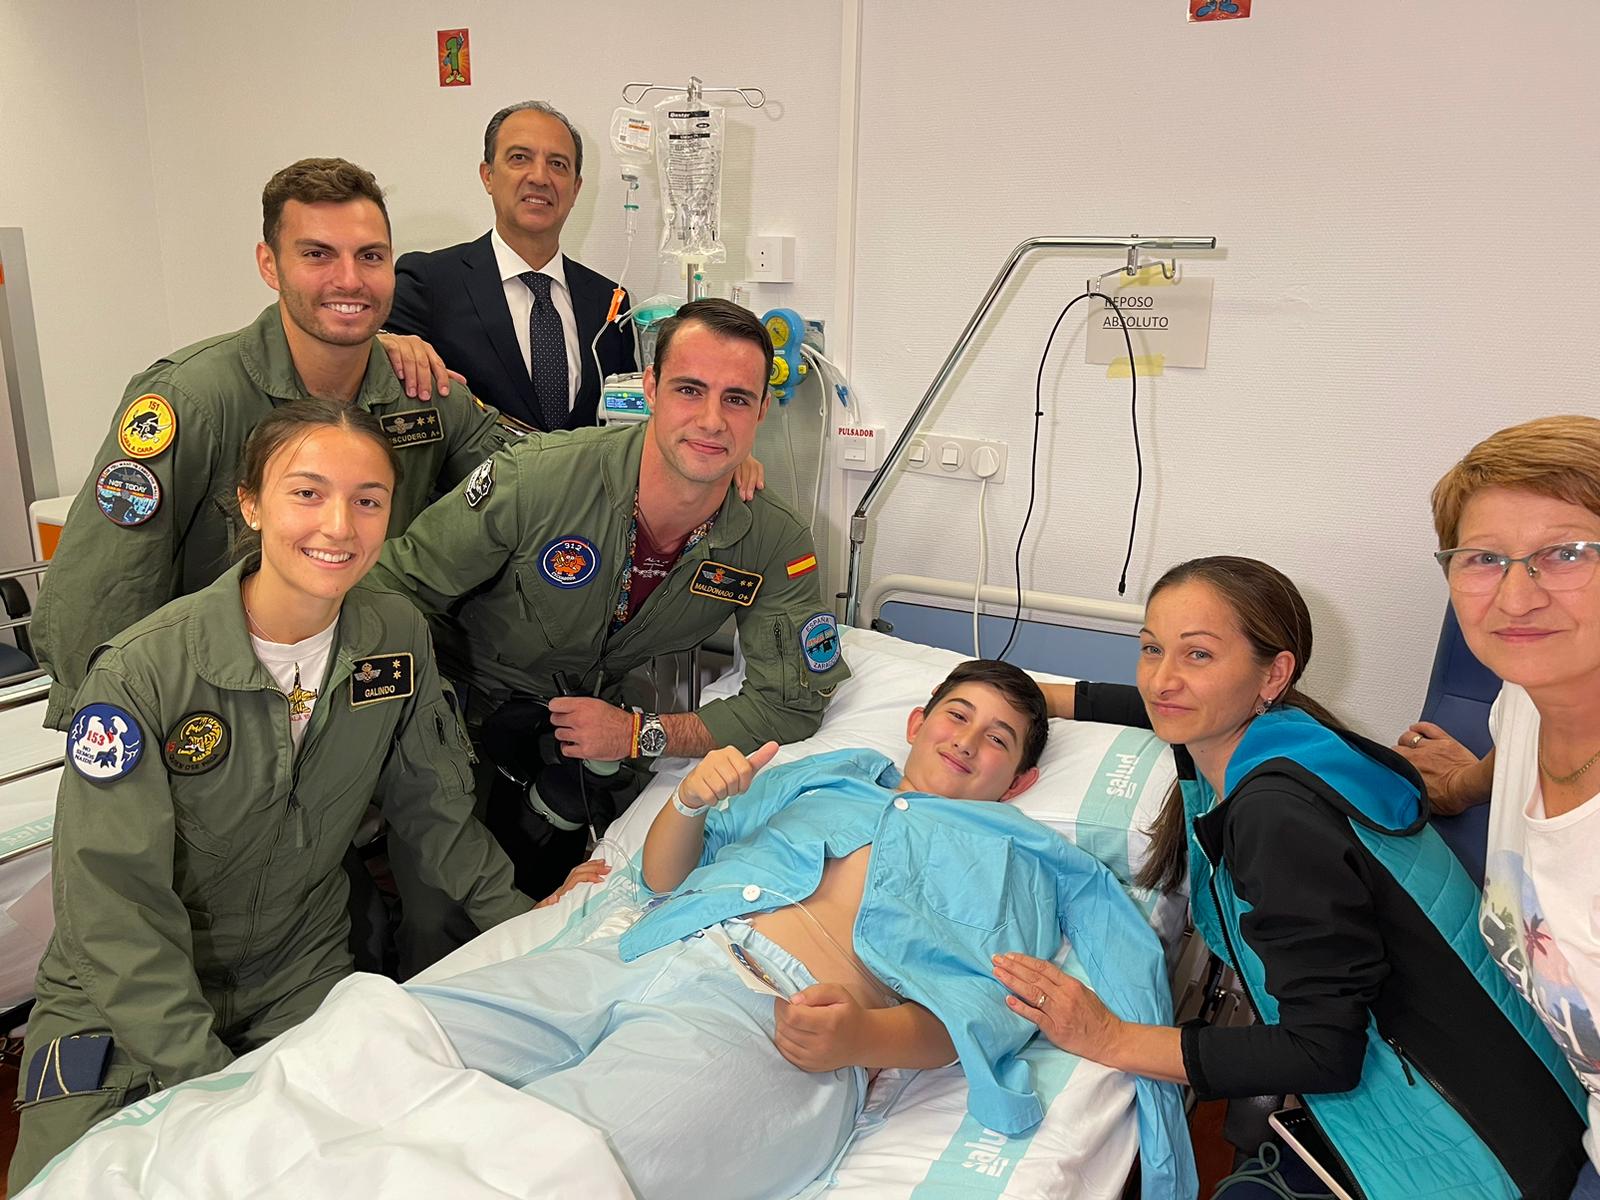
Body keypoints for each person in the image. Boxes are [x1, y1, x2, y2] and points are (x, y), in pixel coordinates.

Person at [5, 400, 600, 1194]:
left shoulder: (394, 636)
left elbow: (435, 811)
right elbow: (115, 908)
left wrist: (534, 925)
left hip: (299, 973)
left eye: (368, 500)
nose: (339, 526)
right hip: (120, 1001)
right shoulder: (143, 676)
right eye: (307, 493)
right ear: (251, 503)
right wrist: (212, 1087)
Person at [395, 660, 1188, 1199]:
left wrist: (861, 1043)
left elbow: (976, 1015)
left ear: (1022, 781)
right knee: (395, 1037)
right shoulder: (821, 778)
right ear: (914, 722)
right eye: (957, 715)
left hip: (769, 1023)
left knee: (559, 1162)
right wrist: (689, 804)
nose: (967, 741)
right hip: (644, 950)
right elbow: (663, 879)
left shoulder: (1014, 860)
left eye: (998, 739)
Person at [997, 556, 1588, 1199]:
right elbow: (1157, 705)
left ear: (1273, 674)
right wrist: (1028, 697)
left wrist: (1108, 1037)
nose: (1161, 680)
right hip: (1525, 1095)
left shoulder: (1275, 822)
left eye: (1198, 655)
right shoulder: (1290, 738)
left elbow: (1322, 1056)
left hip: (1474, 1159)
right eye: (1150, 649)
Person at [368, 298, 848, 972]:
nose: (712, 421)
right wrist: (418, 731)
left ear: (762, 412)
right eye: (689, 390)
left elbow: (791, 700)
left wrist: (642, 734)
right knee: (442, 917)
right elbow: (394, 588)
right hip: (461, 708)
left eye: (737, 399)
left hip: (594, 727)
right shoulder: (537, 480)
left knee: (592, 908)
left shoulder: (771, 540)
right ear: (649, 389)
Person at [31, 157, 520, 732]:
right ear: (270, 264)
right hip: (222, 713)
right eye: (317, 254)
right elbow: (101, 589)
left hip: (370, 701)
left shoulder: (422, 390)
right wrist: (116, 733)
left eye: (370, 256)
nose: (349, 280)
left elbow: (525, 479)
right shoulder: (190, 399)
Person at [1391, 415, 1600, 1200]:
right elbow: (1517, 737)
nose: (1516, 594)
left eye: (1568, 552)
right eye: (1484, 559)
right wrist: (1466, 781)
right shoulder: (1525, 699)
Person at [380, 100, 636, 430]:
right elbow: (367, 372)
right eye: (520, 158)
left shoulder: (609, 301)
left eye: (558, 164)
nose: (540, 177)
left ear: (575, 189)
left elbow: (623, 424)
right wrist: (383, 342)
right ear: (488, 175)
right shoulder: (428, 283)